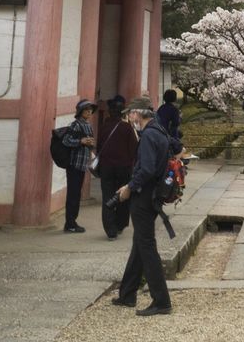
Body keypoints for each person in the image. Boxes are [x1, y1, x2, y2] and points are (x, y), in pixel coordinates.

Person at [112, 97, 181, 316]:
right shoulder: (159, 130)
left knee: (146, 246)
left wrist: (129, 187)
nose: (129, 117)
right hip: (154, 195)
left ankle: (161, 300)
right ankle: (127, 294)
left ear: (139, 113)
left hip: (144, 196)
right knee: (140, 243)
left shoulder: (150, 134)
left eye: (131, 113)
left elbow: (147, 168)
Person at [97, 97, 138, 239]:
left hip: (106, 167)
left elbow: (99, 147)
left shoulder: (103, 126)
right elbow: (134, 149)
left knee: (107, 197)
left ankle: (110, 230)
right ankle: (120, 224)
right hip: (123, 168)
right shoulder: (126, 128)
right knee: (122, 196)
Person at [60, 99, 97, 233]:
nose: (89, 112)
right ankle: (69, 224)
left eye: (90, 110)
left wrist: (90, 144)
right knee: (73, 195)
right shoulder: (75, 125)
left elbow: (90, 144)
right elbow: (66, 140)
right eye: (86, 110)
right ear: (80, 112)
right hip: (74, 164)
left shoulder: (88, 125)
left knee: (76, 195)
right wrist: (81, 141)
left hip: (82, 165)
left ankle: (72, 222)